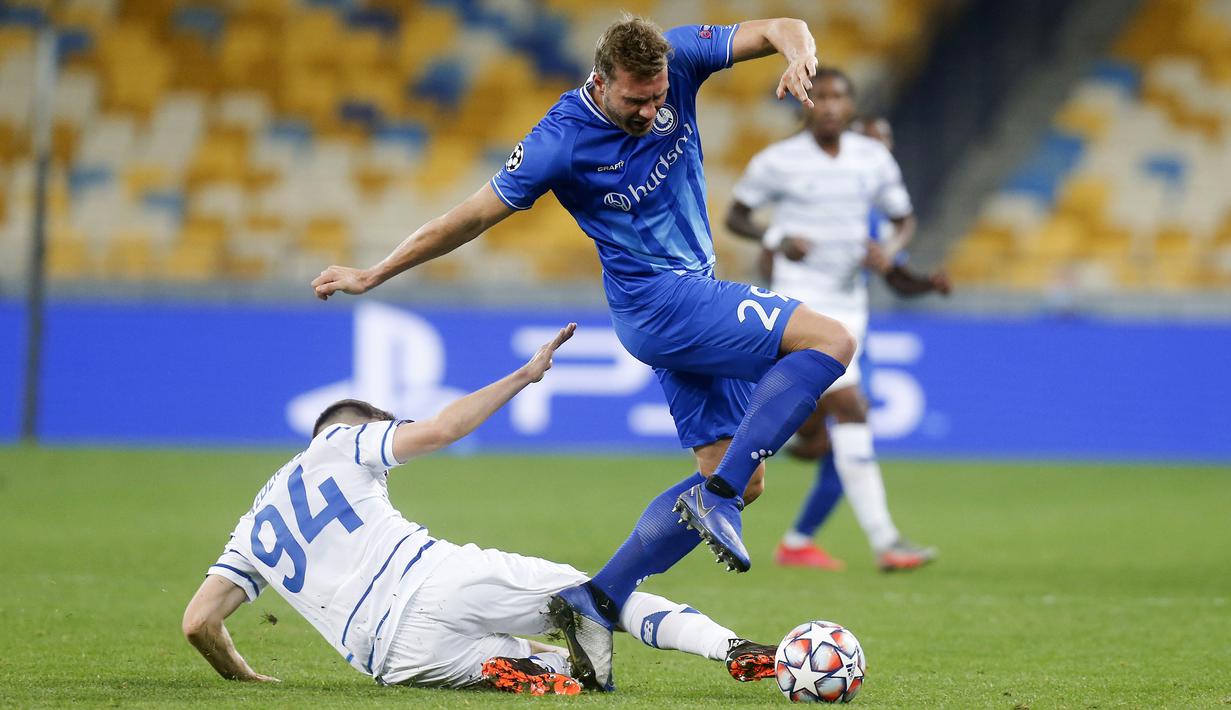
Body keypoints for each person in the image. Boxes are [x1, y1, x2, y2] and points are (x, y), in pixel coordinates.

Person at [311, 15, 858, 689]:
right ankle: (711, 499)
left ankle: (596, 599)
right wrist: (374, 273)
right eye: (636, 99)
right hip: (659, 303)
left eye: (659, 97)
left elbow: (781, 24)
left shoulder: (678, 59)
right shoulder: (558, 140)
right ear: (600, 82)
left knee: (742, 475)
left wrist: (799, 54)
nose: (652, 110)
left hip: (688, 296)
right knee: (831, 340)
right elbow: (470, 216)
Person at [181, 323, 780, 695]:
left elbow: (199, 623)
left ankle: (540, 670)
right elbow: (441, 429)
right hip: (431, 581)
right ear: (360, 427)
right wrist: (523, 375)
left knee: (560, 668)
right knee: (598, 596)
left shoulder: (252, 531)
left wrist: (244, 679)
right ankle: (733, 651)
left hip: (392, 659)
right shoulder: (340, 441)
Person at [726, 73, 945, 573]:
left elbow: (903, 218)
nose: (828, 106)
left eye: (839, 97)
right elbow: (737, 216)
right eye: (819, 97)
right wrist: (776, 237)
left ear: (850, 106)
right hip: (796, 306)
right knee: (850, 406)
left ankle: (731, 491)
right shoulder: (778, 160)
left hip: (850, 305)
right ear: (807, 104)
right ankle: (885, 540)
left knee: (811, 420)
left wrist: (886, 251)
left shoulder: (872, 159)